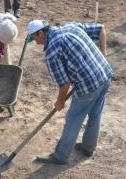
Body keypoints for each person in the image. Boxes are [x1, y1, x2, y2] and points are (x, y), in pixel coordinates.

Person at [27, 19, 114, 165]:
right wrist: (103, 56)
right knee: (95, 114)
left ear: (41, 32)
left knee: (73, 118)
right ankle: (88, 148)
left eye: (34, 38)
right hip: (105, 73)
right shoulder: (71, 26)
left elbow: (64, 83)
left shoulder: (52, 51)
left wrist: (60, 101)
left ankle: (60, 156)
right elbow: (101, 29)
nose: (36, 43)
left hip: (88, 84)